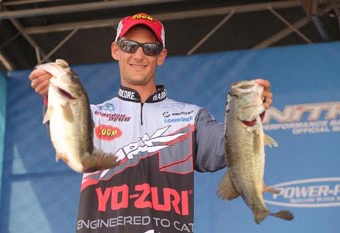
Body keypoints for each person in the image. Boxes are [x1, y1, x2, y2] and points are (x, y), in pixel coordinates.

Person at [29, 12, 273, 233]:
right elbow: (66, 133)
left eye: (150, 48)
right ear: (116, 50)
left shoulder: (191, 116)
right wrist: (50, 92)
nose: (139, 55)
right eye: (129, 46)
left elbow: (224, 149)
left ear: (161, 56)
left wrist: (251, 111)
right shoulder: (91, 114)